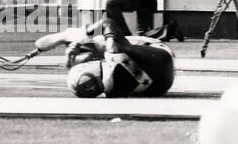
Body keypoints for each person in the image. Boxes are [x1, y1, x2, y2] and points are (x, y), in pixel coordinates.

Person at [35, 19, 175, 98]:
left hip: (160, 83)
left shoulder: (110, 90)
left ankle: (73, 36)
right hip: (159, 57)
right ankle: (75, 35)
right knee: (101, 41)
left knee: (94, 45)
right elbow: (108, 22)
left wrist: (79, 41)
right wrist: (80, 40)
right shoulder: (114, 51)